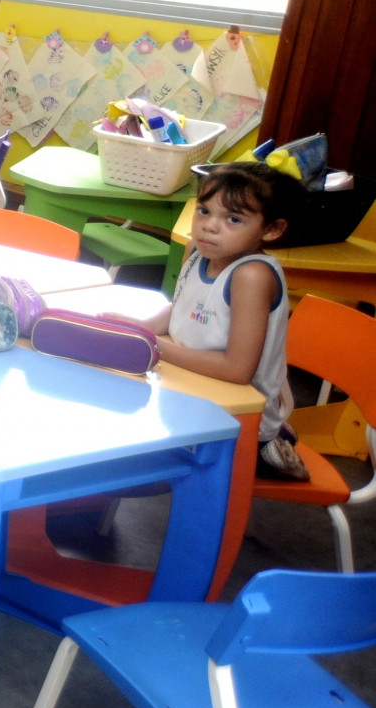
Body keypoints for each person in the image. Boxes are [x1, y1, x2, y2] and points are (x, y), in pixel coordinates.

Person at [111, 161, 308, 480]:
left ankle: (276, 442)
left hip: (239, 422)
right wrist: (138, 328)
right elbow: (182, 308)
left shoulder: (252, 276)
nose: (210, 226)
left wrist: (152, 345)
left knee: (121, 446)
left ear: (271, 230)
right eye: (204, 211)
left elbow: (236, 370)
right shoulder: (198, 251)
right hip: (192, 390)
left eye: (233, 218)